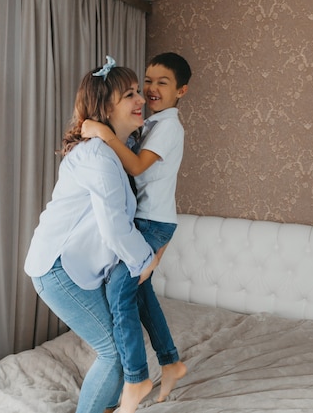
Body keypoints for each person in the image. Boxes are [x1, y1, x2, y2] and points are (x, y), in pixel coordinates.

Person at [24, 56, 159, 413]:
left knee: (116, 346)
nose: (141, 99)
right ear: (105, 107)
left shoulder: (111, 152)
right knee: (114, 351)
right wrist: (146, 261)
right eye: (129, 93)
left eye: (137, 91)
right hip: (56, 268)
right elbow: (114, 226)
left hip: (68, 264)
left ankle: (106, 406)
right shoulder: (97, 156)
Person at [81, 52, 192, 405]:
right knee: (142, 295)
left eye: (163, 82)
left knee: (118, 295)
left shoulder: (169, 126)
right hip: (146, 221)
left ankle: (136, 378)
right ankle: (171, 361)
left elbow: (138, 168)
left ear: (181, 91)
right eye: (148, 80)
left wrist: (103, 133)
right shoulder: (154, 123)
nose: (152, 88)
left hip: (151, 223)